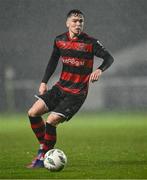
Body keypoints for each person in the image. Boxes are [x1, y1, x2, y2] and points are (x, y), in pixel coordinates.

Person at [27, 9, 114, 168]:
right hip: (60, 88)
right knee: (32, 113)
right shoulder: (59, 40)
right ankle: (45, 149)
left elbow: (109, 58)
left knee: (51, 121)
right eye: (75, 21)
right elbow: (53, 61)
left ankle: (43, 157)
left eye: (81, 21)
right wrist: (44, 82)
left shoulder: (91, 43)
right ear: (67, 23)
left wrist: (99, 69)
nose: (78, 24)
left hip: (77, 93)